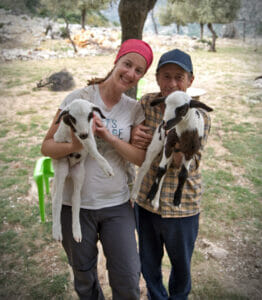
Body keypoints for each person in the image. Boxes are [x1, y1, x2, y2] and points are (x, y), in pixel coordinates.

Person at [41, 39, 153, 300]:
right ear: (116, 61)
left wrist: (111, 137)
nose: (130, 73)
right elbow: (46, 147)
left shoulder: (134, 109)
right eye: (127, 64)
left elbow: (139, 158)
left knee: (127, 278)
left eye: (139, 71)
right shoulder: (78, 99)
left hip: (116, 205)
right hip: (75, 206)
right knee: (84, 278)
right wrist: (75, 142)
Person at [131, 49, 211, 300]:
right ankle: (156, 296)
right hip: (146, 202)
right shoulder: (146, 103)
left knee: (181, 264)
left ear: (191, 80)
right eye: (166, 76)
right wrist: (134, 133)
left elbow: (189, 160)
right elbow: (134, 136)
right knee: (148, 261)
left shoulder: (200, 116)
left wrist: (175, 148)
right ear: (156, 78)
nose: (172, 83)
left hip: (183, 206)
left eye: (179, 76)